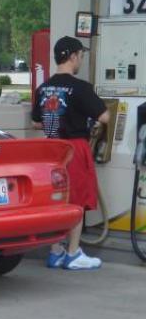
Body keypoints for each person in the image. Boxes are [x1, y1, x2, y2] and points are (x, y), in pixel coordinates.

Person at [32, 36, 110, 270]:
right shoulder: (81, 88)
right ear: (73, 56)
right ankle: (74, 253)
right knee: (76, 200)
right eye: (81, 56)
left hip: (52, 150)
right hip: (75, 148)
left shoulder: (44, 88)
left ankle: (56, 252)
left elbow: (37, 122)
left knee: (57, 200)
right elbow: (106, 117)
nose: (81, 60)